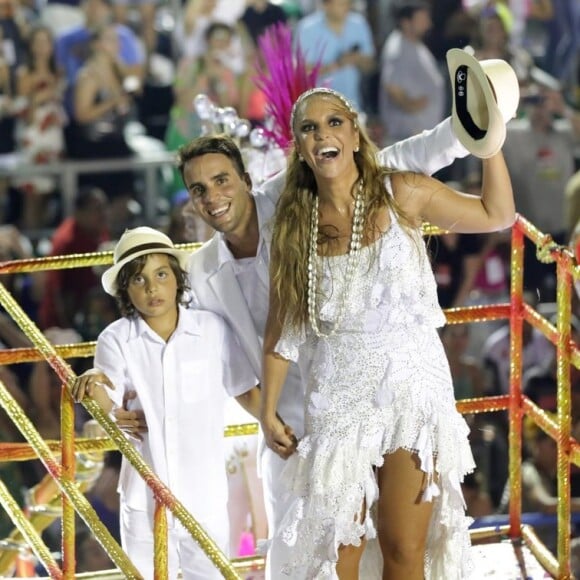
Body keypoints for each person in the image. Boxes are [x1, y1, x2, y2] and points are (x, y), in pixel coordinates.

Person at [178, 113, 471, 579]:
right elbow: (231, 368)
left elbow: (390, 161)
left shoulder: (292, 196)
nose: (213, 197)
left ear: (247, 180)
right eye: (199, 189)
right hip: (290, 428)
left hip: (356, 394)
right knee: (305, 563)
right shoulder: (200, 272)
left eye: (221, 180)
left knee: (401, 543)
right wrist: (269, 418)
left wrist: (466, 131)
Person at [259, 86, 515, 578]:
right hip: (338, 396)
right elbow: (280, 321)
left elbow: (496, 214)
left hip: (411, 390)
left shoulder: (403, 192)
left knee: (403, 549)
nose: (322, 135)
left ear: (355, 134)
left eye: (334, 122)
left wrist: (490, 142)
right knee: (336, 552)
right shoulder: (293, 226)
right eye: (309, 129)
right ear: (301, 148)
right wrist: (267, 409)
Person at [71, 226, 263, 579]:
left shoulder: (212, 329)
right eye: (139, 280)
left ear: (177, 278)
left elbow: (245, 389)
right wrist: (94, 388)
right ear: (126, 290)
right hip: (144, 501)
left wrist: (281, 424)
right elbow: (106, 396)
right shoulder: (116, 338)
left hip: (203, 498)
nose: (152, 287)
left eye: (161, 274)